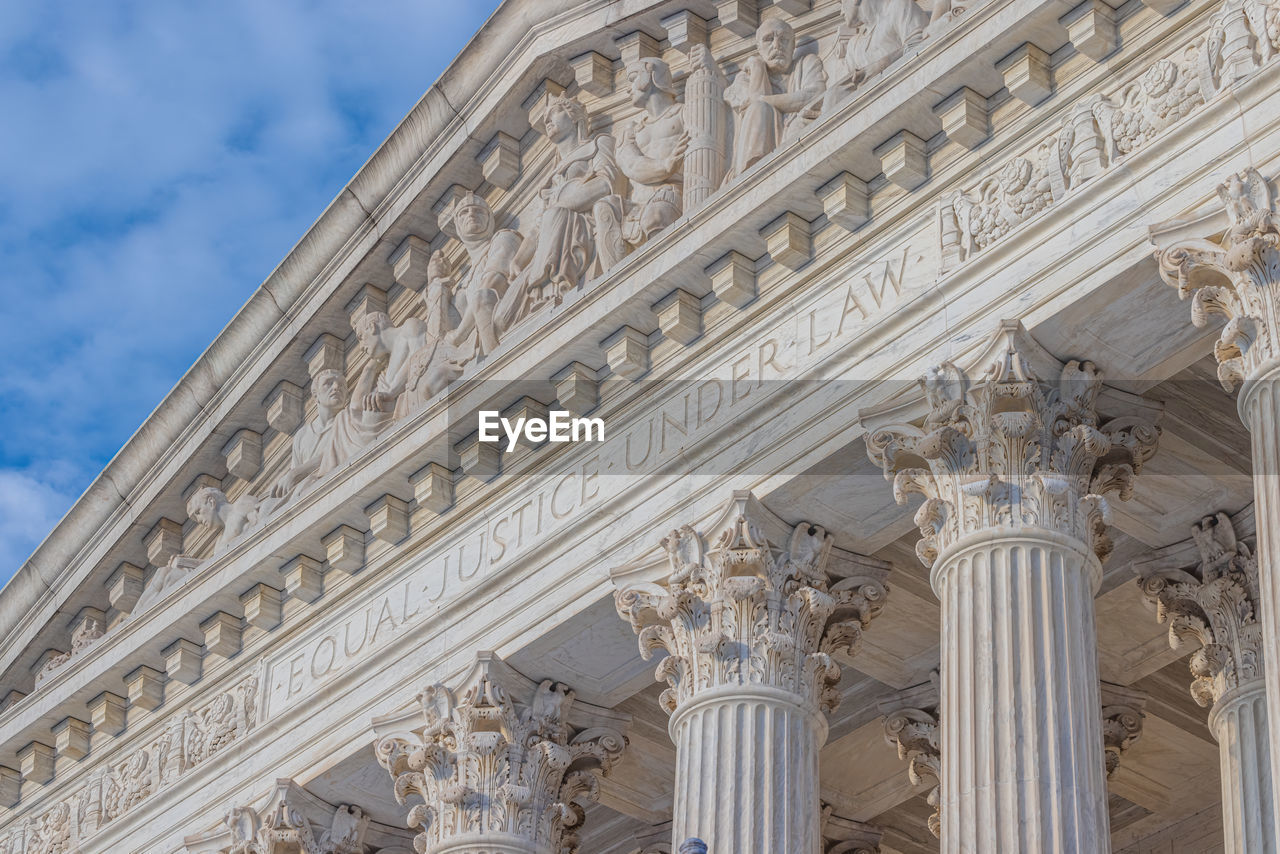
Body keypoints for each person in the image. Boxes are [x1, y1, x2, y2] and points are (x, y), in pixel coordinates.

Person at [500, 94, 625, 329]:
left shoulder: (598, 145)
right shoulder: (552, 178)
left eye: (555, 112)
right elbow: (539, 226)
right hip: (551, 238)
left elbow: (607, 183)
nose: (547, 120)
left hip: (584, 227)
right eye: (545, 117)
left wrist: (563, 204)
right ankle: (540, 292)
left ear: (575, 116)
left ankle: (550, 291)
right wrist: (519, 259)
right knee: (502, 317)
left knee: (556, 215)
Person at [723, 17, 826, 179]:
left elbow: (815, 93)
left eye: (784, 39)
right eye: (768, 39)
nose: (777, 45)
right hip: (752, 160)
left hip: (798, 141)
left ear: (793, 46)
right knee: (759, 109)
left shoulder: (806, 63)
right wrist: (757, 66)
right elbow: (756, 106)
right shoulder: (743, 79)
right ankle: (752, 174)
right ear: (758, 48)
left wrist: (766, 100)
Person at [617, 56, 688, 246]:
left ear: (650, 77)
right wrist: (665, 165)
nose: (628, 89)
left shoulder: (683, 113)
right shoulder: (632, 130)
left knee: (656, 215)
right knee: (604, 209)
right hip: (637, 205)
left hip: (671, 195)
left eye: (633, 79)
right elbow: (630, 164)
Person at [823, 0, 928, 112]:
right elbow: (847, 88)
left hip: (910, 97)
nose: (841, 12)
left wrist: (881, 66)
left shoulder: (898, 7)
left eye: (842, 2)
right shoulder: (854, 45)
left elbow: (922, 47)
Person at [186, 486, 262, 554]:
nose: (199, 520)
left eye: (198, 512)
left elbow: (263, 517)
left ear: (211, 502)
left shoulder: (242, 504)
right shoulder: (219, 543)